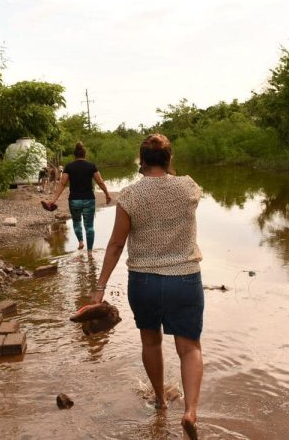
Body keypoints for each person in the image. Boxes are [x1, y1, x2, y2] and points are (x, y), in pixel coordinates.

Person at [91, 134, 204, 439]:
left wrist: (99, 288)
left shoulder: (129, 196)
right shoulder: (189, 187)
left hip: (144, 281)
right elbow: (177, 184)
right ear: (169, 159)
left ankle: (159, 401)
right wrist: (169, 169)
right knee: (189, 347)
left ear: (141, 161)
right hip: (184, 279)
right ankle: (190, 411)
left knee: (151, 343)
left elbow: (115, 244)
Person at [47, 142, 111, 255]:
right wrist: (107, 193)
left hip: (74, 200)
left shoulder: (69, 166)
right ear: (84, 154)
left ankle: (80, 241)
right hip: (89, 199)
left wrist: (54, 200)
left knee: (77, 222)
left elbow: (62, 183)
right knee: (89, 226)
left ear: (74, 155)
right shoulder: (91, 166)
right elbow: (100, 181)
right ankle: (90, 252)